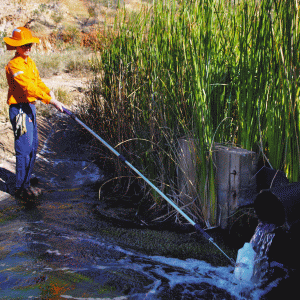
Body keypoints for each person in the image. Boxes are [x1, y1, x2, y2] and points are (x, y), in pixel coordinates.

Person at [3, 27, 64, 201]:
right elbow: (28, 87)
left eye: (29, 44)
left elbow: (37, 82)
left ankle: (27, 180)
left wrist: (49, 92)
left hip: (30, 107)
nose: (28, 47)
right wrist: (50, 101)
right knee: (24, 148)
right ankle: (21, 187)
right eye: (24, 45)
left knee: (33, 146)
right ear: (16, 46)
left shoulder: (29, 62)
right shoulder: (14, 65)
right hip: (20, 109)